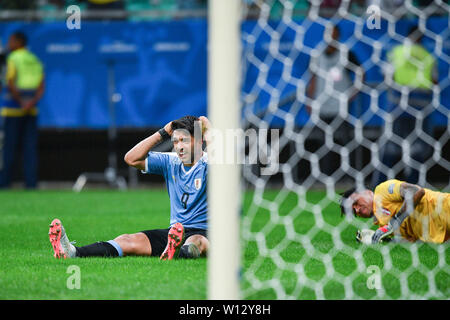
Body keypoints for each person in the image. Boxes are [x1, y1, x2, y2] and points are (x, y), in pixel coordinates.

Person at [49, 115, 211, 260]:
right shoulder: (171, 161)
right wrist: (162, 132)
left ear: (198, 141)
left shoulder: (209, 163)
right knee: (128, 240)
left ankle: (180, 252)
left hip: (205, 232)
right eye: (175, 141)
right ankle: (73, 252)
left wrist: (208, 128)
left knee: (197, 242)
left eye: (184, 140)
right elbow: (131, 158)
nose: (179, 147)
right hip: (174, 232)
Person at [371, 25, 438, 187]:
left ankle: (381, 184)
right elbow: (435, 80)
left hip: (398, 105)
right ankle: (413, 186)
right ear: (422, 38)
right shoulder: (428, 57)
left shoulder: (397, 52)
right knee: (417, 148)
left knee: (390, 146)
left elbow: (387, 75)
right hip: (421, 107)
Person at [306, 24, 364, 175]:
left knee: (345, 141)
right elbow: (313, 78)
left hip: (341, 106)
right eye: (329, 33)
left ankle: (348, 176)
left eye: (334, 34)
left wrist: (353, 93)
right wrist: (309, 100)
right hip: (322, 105)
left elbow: (360, 73)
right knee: (323, 143)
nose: (331, 37)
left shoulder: (346, 54)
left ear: (338, 35)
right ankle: (325, 175)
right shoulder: (317, 55)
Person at [340, 179, 450, 244]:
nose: (357, 209)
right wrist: (387, 240)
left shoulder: (382, 190)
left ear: (367, 192)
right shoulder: (383, 224)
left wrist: (394, 222)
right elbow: (412, 239)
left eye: (355, 203)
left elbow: (417, 191)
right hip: (444, 234)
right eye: (354, 211)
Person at [0, 31, 45, 189]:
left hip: (13, 109)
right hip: (31, 110)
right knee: (30, 149)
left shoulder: (13, 58)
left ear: (18, 42)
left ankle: (4, 184)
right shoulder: (34, 59)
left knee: (8, 148)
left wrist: (21, 102)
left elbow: (10, 82)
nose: (9, 43)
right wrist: (30, 103)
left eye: (11, 40)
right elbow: (41, 86)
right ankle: (31, 184)